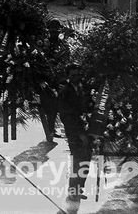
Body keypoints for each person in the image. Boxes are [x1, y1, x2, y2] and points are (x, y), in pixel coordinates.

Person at [57, 64, 92, 214]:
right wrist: (79, 133)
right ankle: (73, 190)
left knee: (86, 159)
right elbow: (65, 116)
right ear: (68, 77)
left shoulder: (84, 89)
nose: (76, 77)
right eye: (73, 75)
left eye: (78, 74)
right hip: (74, 132)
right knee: (77, 161)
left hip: (86, 129)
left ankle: (79, 187)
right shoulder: (65, 92)